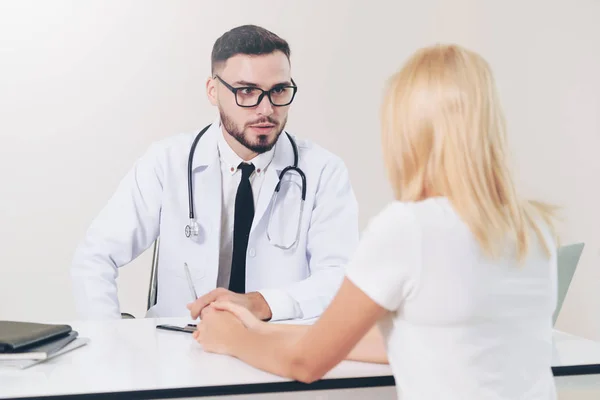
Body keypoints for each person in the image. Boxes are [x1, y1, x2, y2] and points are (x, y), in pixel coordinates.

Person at [191, 43, 559, 399]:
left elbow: (305, 364)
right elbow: (400, 340)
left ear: (409, 132)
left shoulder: (408, 228)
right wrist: (259, 330)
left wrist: (232, 338)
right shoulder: (534, 227)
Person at [70, 24, 359, 322]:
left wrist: (261, 304)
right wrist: (108, 339)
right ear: (213, 91)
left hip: (277, 351)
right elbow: (94, 257)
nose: (266, 109)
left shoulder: (324, 172)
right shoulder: (166, 162)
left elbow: (341, 278)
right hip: (179, 350)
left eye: (278, 91)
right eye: (247, 91)